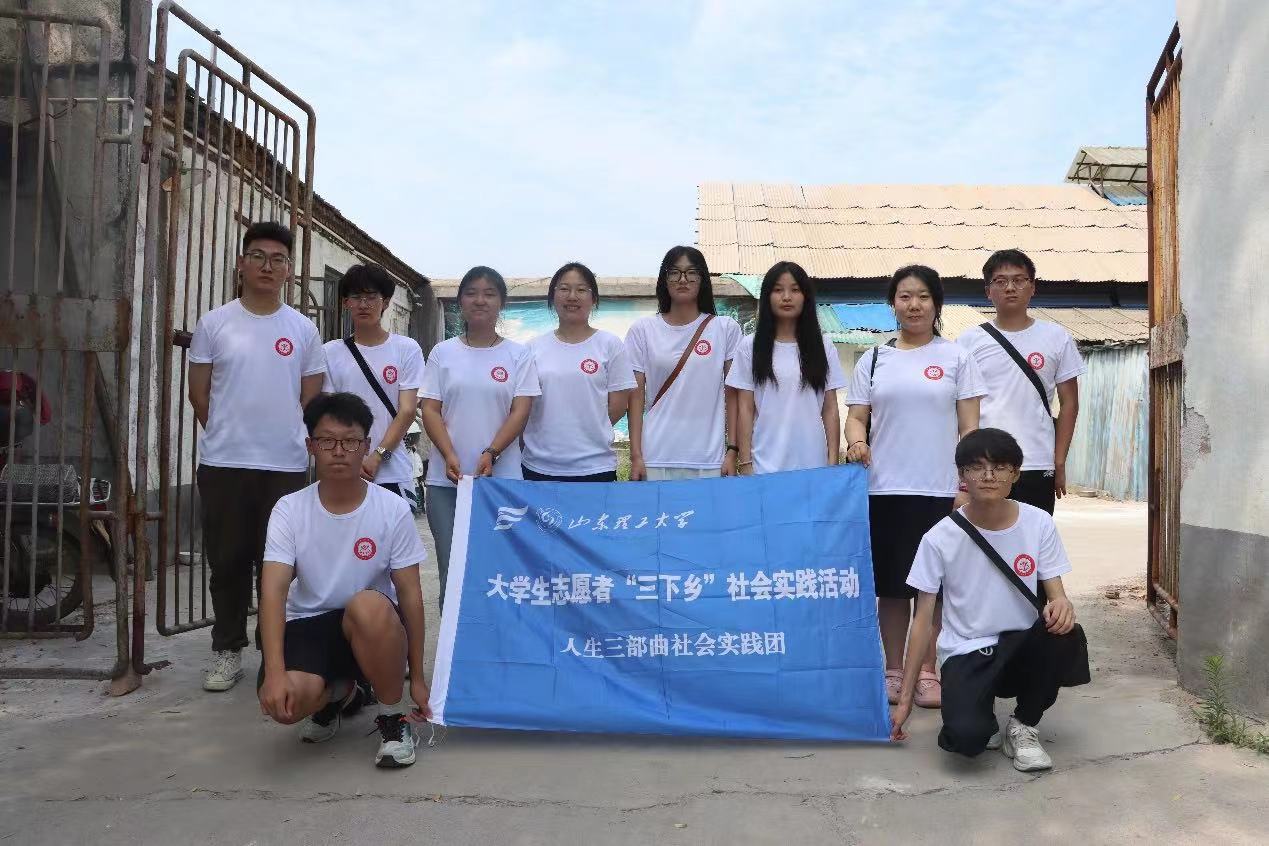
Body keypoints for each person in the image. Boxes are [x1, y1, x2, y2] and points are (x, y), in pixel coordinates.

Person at [256, 392, 431, 769]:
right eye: (327, 441)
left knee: (367, 606)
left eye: (350, 441)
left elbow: (411, 596)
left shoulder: (392, 509)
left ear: (366, 446)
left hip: (371, 626)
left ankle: (392, 718)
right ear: (310, 446)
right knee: (285, 705)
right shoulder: (289, 509)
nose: (339, 451)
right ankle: (341, 693)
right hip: (309, 624)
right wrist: (274, 673)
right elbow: (273, 592)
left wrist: (417, 677)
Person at [188, 221, 326, 693]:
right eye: (259, 257)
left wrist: (280, 435)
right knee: (227, 561)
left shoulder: (302, 329)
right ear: (241, 264)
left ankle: (276, 655)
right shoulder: (215, 323)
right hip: (224, 463)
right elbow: (199, 395)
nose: (268, 266)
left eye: (279, 259)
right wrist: (230, 435)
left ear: (289, 270)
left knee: (280, 565)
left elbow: (310, 399)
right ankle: (227, 650)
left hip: (284, 466)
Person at [890, 428, 1077, 772]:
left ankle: (1023, 724)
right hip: (967, 649)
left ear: (1015, 474)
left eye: (1000, 467)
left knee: (1066, 632)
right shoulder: (939, 538)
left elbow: (1057, 594)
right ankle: (981, 714)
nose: (989, 476)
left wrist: (1062, 605)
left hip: (1021, 645)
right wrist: (905, 702)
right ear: (962, 476)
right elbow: (922, 621)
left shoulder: (1039, 523)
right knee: (966, 740)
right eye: (977, 467)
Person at [844, 265, 985, 709]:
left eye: (923, 296)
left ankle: (926, 672)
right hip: (884, 490)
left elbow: (969, 428)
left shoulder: (957, 357)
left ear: (936, 304)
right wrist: (857, 442)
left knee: (933, 589)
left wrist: (965, 484)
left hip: (940, 490)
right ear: (893, 304)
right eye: (905, 297)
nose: (914, 305)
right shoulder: (873, 359)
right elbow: (856, 417)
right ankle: (892, 670)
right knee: (891, 588)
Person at [419, 266, 540, 609]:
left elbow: (521, 410)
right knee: (452, 570)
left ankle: (496, 641)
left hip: (502, 483)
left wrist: (492, 452)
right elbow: (430, 409)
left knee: (500, 571)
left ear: (501, 302)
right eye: (471, 293)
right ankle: (453, 643)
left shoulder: (518, 354)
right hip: (448, 482)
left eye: (489, 294)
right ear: (460, 301)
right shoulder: (443, 353)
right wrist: (449, 454)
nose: (480, 300)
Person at [956, 249, 1086, 514]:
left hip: (1037, 461)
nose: (1010, 288)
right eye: (1000, 281)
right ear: (988, 291)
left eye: (1019, 280)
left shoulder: (1056, 337)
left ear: (1032, 287)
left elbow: (1070, 404)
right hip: (984, 461)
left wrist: (1059, 461)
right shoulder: (968, 342)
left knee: (1033, 534)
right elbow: (959, 406)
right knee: (982, 534)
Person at [625, 246, 742, 480]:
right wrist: (636, 455)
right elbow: (635, 397)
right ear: (664, 279)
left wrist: (732, 450)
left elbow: (734, 395)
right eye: (674, 272)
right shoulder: (643, 330)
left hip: (708, 459)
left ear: (703, 279)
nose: (682, 279)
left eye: (691, 273)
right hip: (656, 457)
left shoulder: (725, 329)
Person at [726, 261, 847, 474]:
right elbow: (745, 409)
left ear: (806, 297)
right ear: (767, 297)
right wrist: (745, 463)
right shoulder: (750, 346)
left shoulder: (823, 346)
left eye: (795, 290)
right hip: (764, 467)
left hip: (814, 466)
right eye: (778, 290)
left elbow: (830, 408)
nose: (787, 297)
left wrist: (832, 462)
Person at [522, 262, 636, 482]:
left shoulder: (610, 344)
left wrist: (588, 428)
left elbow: (619, 405)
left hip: (595, 467)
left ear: (593, 299)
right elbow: (523, 407)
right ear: (552, 297)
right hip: (539, 467)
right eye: (564, 289)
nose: (572, 296)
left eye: (581, 290)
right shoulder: (532, 348)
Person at [321, 263, 425, 499]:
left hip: (393, 472)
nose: (363, 304)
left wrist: (378, 456)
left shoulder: (406, 349)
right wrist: (349, 457)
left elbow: (407, 411)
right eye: (356, 297)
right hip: (343, 468)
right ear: (345, 302)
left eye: (371, 297)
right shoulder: (330, 352)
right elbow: (330, 414)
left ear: (385, 302)